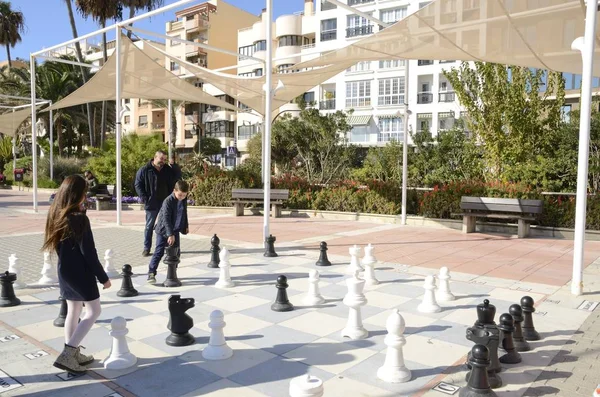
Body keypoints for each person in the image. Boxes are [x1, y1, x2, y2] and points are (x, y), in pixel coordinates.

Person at [42, 175, 111, 374]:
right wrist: (103, 277)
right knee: (94, 311)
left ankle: (71, 353)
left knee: (73, 312)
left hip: (65, 271)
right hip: (81, 273)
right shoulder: (80, 219)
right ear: (78, 194)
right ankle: (68, 354)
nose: (86, 196)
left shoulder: (57, 213)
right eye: (84, 192)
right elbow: (89, 252)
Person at [135, 150, 179, 257]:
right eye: (161, 159)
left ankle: (164, 246)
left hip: (165, 202)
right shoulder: (145, 170)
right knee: (149, 226)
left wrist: (173, 165)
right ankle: (147, 248)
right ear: (155, 157)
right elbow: (138, 184)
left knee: (165, 224)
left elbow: (177, 176)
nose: (163, 161)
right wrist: (145, 198)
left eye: (164, 159)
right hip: (151, 203)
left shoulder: (167, 170)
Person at [147, 179, 189, 283]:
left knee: (176, 252)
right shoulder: (168, 201)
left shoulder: (183, 200)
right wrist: (170, 234)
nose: (182, 197)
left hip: (175, 230)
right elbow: (165, 218)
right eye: (180, 195)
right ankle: (151, 273)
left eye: (184, 195)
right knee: (159, 252)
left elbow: (184, 213)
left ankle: (172, 272)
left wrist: (185, 225)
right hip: (163, 230)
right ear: (174, 191)